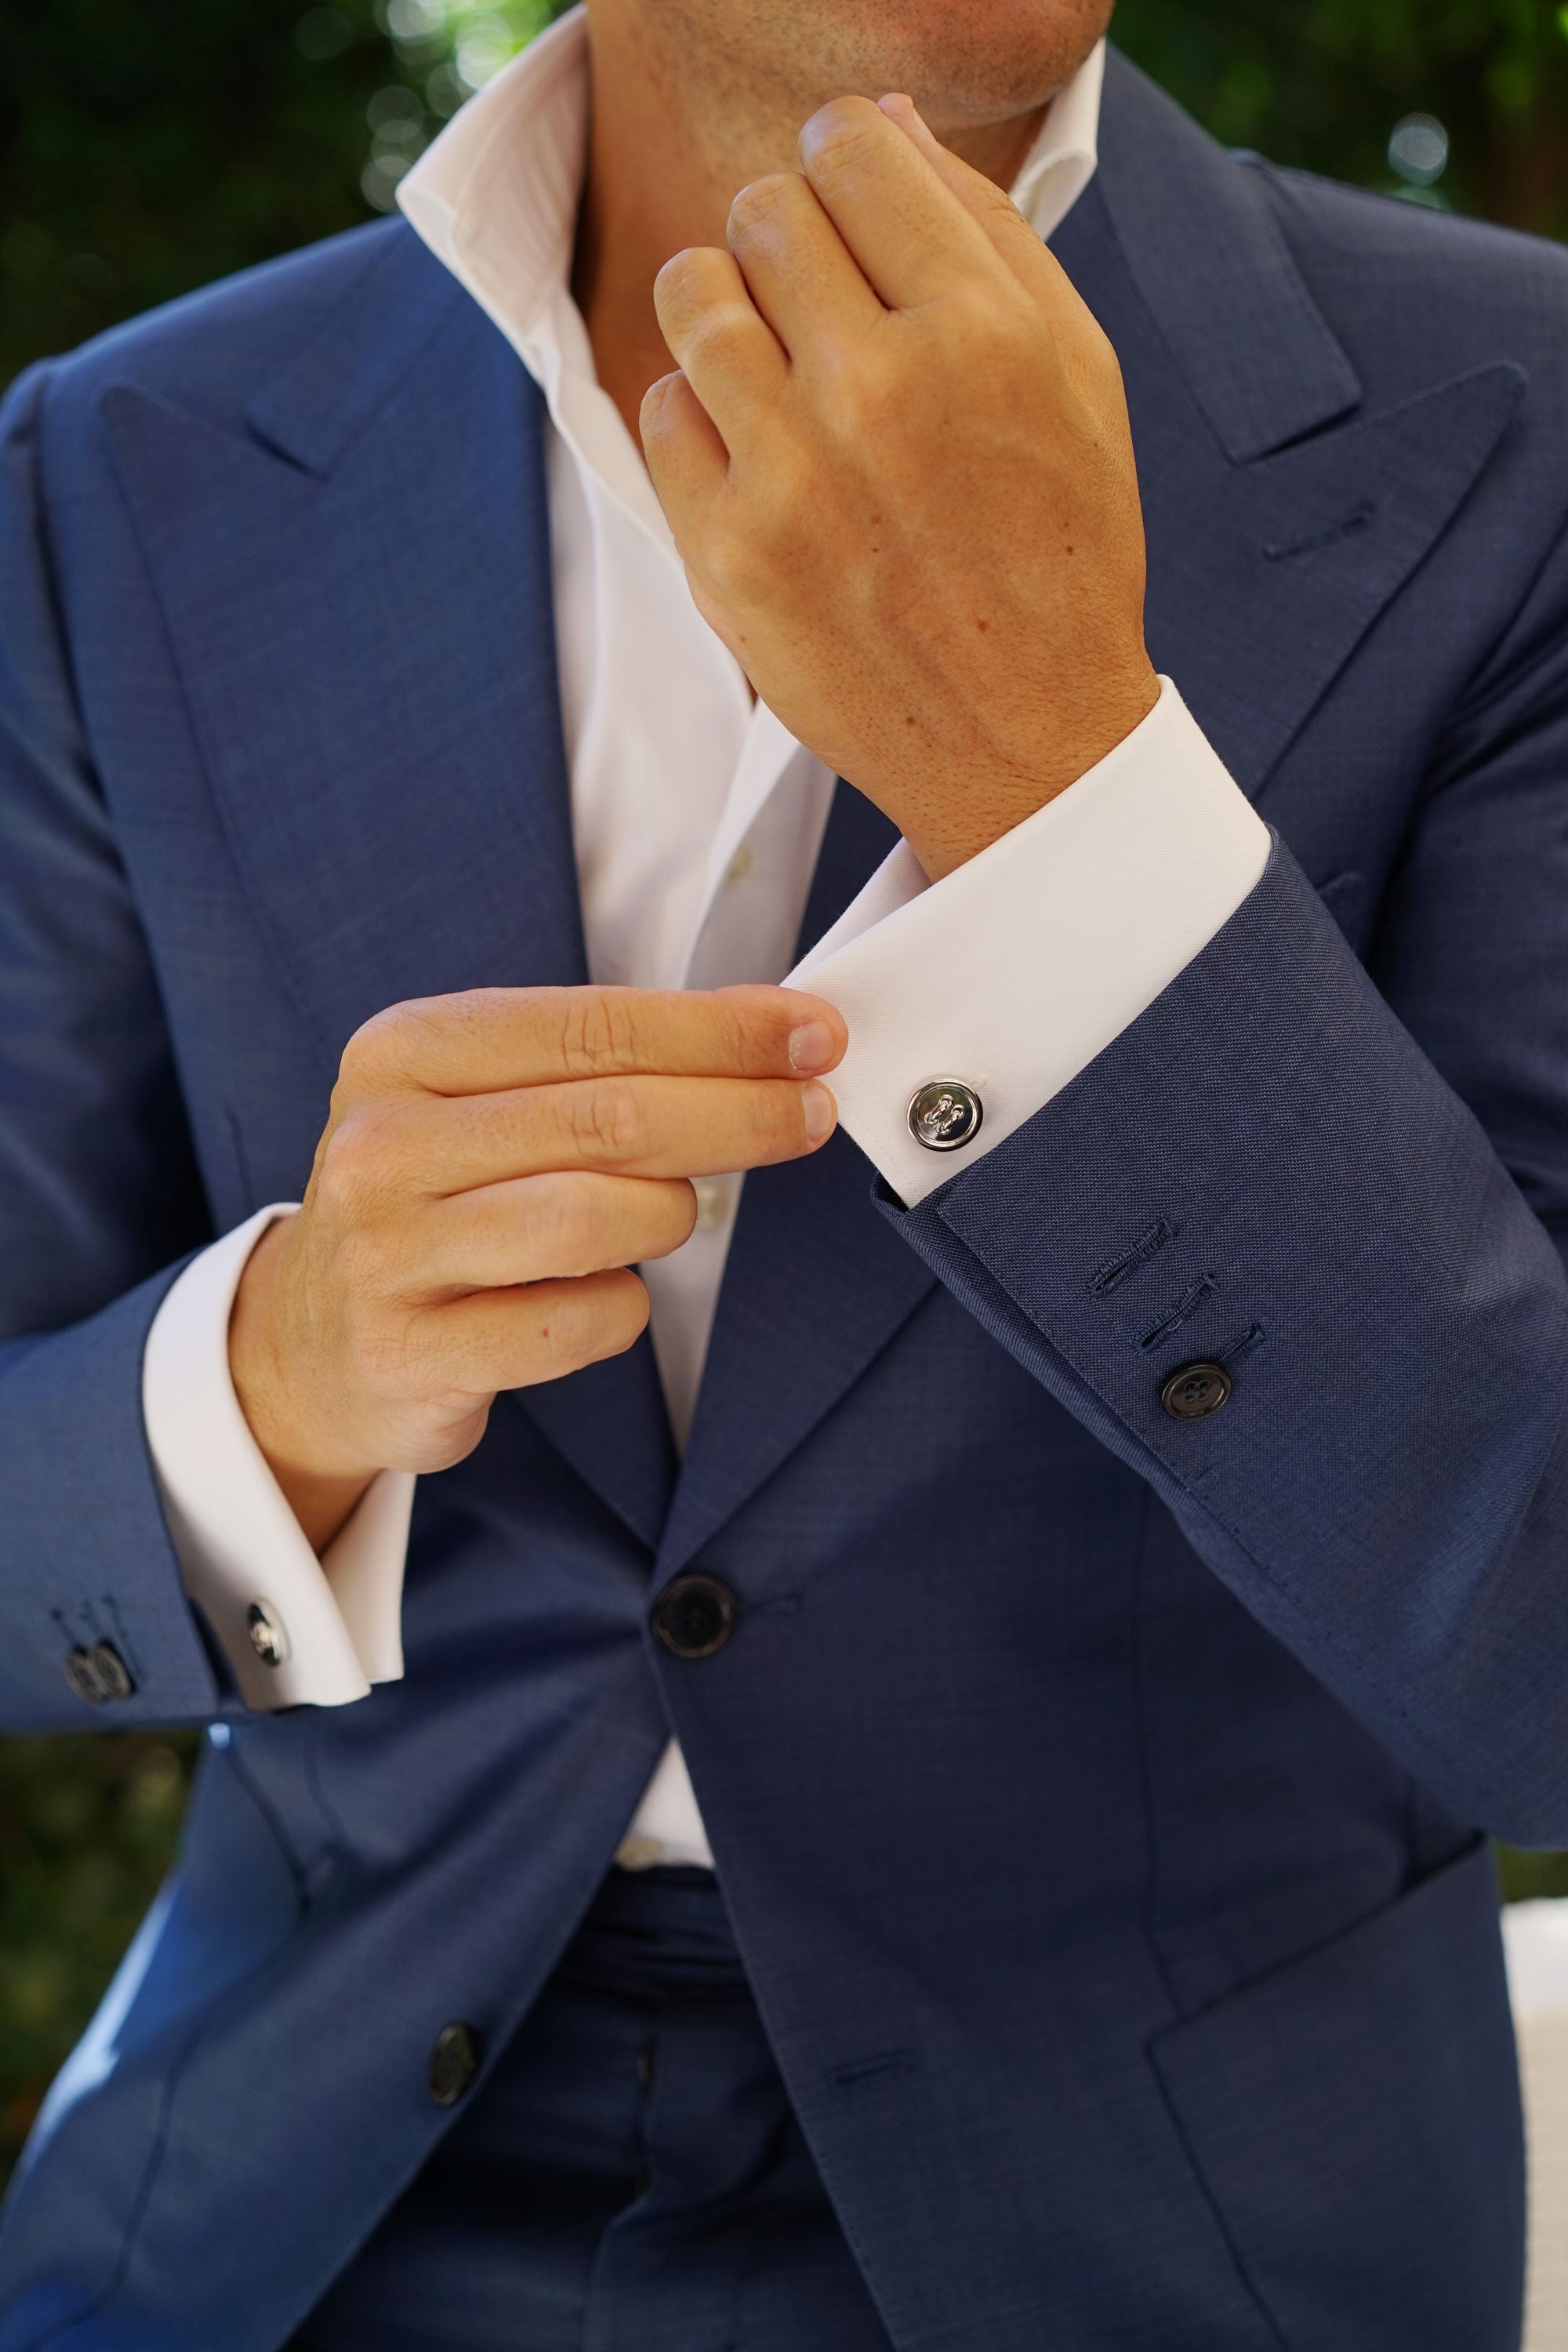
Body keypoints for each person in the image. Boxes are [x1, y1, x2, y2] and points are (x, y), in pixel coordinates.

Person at [0, 0, 1565, 2339]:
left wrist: (1068, 805)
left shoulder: (1519, 425)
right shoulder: (111, 469)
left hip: (1183, 2241)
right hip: (295, 2214)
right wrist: (274, 1378)